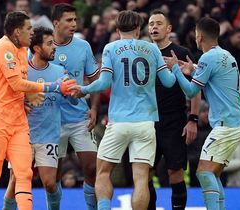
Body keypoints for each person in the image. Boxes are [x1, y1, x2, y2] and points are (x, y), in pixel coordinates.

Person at [70, 10, 179, 210]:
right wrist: (177, 69)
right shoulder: (152, 49)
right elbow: (169, 82)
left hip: (119, 122)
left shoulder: (111, 48)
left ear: (118, 29)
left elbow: (103, 84)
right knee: (141, 179)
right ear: (139, 29)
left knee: (103, 173)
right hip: (146, 123)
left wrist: (83, 89)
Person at [0, 11, 75, 210]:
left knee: (24, 173)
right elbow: (16, 82)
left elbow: (16, 86)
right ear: (17, 31)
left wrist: (27, 96)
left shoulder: (22, 50)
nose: (32, 32)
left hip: (19, 122)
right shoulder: (4, 48)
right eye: (29, 29)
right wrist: (51, 86)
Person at [165, 17, 240, 210]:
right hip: (236, 122)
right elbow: (215, 78)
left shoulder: (207, 57)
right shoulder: (226, 55)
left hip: (226, 125)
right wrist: (191, 69)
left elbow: (191, 92)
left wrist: (176, 70)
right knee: (214, 173)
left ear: (199, 36)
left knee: (203, 172)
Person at [1, 26, 68, 210]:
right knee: (16, 181)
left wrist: (71, 93)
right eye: (49, 43)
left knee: (50, 183)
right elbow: (6, 96)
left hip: (49, 135)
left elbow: (71, 100)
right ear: (37, 48)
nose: (54, 47)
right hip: (22, 135)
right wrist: (21, 103)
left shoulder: (60, 72)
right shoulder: (22, 71)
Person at [147, 10, 201, 210]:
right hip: (147, 120)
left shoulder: (181, 52)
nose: (154, 27)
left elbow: (196, 89)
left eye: (159, 23)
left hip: (174, 120)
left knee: (175, 171)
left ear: (168, 29)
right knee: (145, 171)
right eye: (151, 23)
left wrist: (193, 119)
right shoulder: (143, 53)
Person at [50, 4, 100, 210]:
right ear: (55, 23)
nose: (74, 24)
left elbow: (96, 79)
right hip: (52, 120)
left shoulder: (83, 46)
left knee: (92, 167)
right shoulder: (41, 45)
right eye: (68, 20)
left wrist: (95, 108)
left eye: (75, 20)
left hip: (80, 117)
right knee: (53, 175)